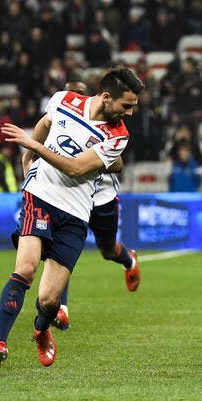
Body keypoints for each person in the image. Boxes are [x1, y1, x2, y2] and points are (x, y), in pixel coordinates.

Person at [0, 68, 144, 370]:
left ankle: (41, 328)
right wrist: (28, 157)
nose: (131, 112)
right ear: (106, 97)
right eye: (127, 105)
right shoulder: (63, 99)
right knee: (26, 269)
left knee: (48, 300)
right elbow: (46, 123)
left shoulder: (118, 134)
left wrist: (34, 147)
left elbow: (75, 169)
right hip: (40, 196)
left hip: (76, 213)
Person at [52, 80, 141, 332]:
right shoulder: (61, 118)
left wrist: (88, 158)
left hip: (101, 197)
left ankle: (129, 260)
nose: (78, 100)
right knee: (61, 250)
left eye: (81, 95)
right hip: (69, 196)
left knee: (108, 250)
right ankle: (61, 309)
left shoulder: (109, 127)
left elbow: (118, 165)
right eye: (73, 95)